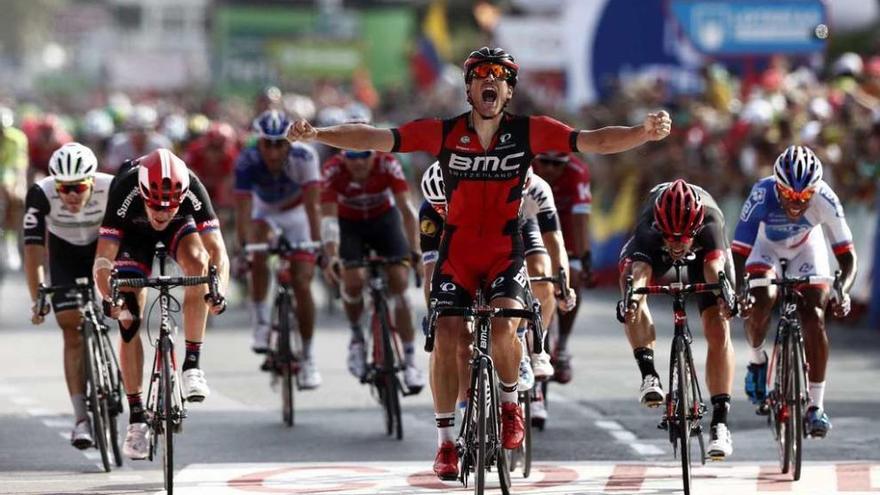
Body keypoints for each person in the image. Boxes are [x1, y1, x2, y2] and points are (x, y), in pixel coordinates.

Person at [288, 46, 671, 480]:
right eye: (480, 75)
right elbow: (375, 138)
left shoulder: (531, 131)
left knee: (507, 322)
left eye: (500, 75)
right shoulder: (443, 132)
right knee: (449, 333)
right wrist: (317, 133)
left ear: (508, 90)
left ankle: (510, 406)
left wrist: (642, 132)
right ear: (469, 88)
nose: (490, 80)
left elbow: (594, 141)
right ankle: (446, 443)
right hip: (458, 248)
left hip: (504, 247)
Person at [92, 148, 229, 460]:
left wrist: (218, 290)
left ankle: (192, 366)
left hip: (180, 232)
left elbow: (218, 250)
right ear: (143, 192)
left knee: (199, 264)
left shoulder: (192, 186)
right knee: (128, 318)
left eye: (169, 206)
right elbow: (103, 258)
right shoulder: (126, 188)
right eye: (155, 206)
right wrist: (109, 296)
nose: (162, 213)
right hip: (132, 236)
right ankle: (137, 418)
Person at [419, 161, 573, 427]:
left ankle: (533, 345)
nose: (444, 211)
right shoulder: (433, 210)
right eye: (440, 207)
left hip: (522, 225)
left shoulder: (536, 191)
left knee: (539, 270)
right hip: (468, 240)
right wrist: (435, 308)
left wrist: (563, 282)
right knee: (461, 339)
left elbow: (554, 242)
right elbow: (431, 270)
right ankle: (467, 408)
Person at [732, 145, 856, 438]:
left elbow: (847, 256)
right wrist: (740, 291)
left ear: (815, 190)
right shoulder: (762, 194)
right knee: (763, 299)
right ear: (778, 187)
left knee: (814, 315)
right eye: (788, 195)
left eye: (804, 197)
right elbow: (739, 252)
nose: (796, 203)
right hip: (765, 248)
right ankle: (757, 360)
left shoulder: (826, 197)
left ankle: (816, 406)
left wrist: (843, 289)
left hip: (806, 249)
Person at [618, 179, 735, 459]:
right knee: (631, 285)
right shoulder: (651, 225)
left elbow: (714, 267)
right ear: (661, 227)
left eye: (683, 238)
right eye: (671, 237)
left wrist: (724, 296)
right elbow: (642, 268)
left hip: (706, 255)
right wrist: (632, 299)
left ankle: (720, 423)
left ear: (694, 230)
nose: (677, 244)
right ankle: (648, 375)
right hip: (649, 250)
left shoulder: (710, 223)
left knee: (718, 325)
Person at [23, 143, 112, 449]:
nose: (71, 195)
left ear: (92, 181)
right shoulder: (40, 193)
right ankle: (81, 419)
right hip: (63, 254)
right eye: (64, 188)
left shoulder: (111, 188)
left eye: (78, 187)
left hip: (102, 250)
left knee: (127, 312)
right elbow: (33, 252)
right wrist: (38, 298)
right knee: (70, 328)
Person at [320, 137, 425, 391]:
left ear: (374, 155)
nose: (358, 163)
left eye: (364, 155)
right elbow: (329, 221)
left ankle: (410, 360)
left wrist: (416, 251)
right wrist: (333, 256)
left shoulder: (388, 164)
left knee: (400, 281)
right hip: (349, 226)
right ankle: (357, 337)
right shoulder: (333, 170)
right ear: (343, 156)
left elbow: (407, 210)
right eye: (352, 157)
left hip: (384, 222)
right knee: (353, 280)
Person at [235, 110, 323, 389]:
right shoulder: (246, 160)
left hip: (297, 213)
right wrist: (244, 248)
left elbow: (313, 205)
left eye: (280, 144)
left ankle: (308, 358)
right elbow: (243, 210)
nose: (273, 153)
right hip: (265, 212)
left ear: (290, 143)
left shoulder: (305, 157)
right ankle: (261, 322)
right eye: (267, 144)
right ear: (258, 142)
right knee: (257, 246)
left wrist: (317, 245)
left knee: (302, 281)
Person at [530, 151, 592, 384]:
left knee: (573, 278)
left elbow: (581, 219)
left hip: (565, 224)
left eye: (558, 165)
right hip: (530, 220)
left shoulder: (577, 172)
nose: (551, 169)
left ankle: (562, 345)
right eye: (545, 162)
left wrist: (585, 258)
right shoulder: (526, 166)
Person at [103, 105, 172, 174]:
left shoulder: (162, 145)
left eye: (145, 130)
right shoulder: (118, 144)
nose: (139, 135)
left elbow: (168, 170)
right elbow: (110, 170)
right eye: (135, 129)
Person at [1, 106, 28, 267]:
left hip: (7, 173)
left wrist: (20, 185)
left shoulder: (17, 138)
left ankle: (10, 240)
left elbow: (19, 165)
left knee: (17, 199)